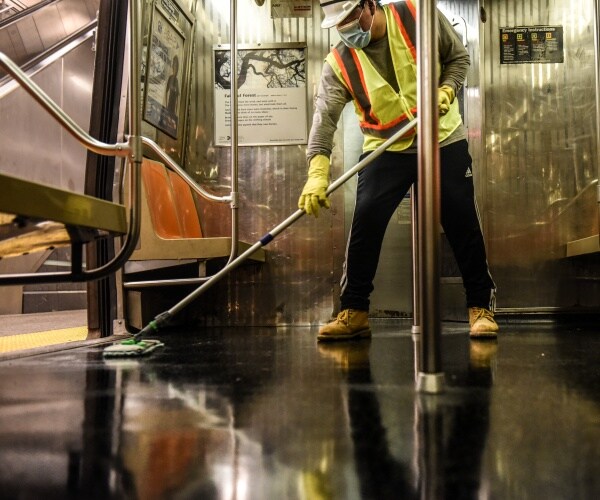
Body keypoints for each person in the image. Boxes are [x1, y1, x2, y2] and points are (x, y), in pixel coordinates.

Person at [298, 0, 498, 341]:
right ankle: (355, 310)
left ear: (370, 5)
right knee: (366, 221)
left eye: (350, 18)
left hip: (442, 137)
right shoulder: (339, 62)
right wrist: (317, 170)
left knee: (462, 219)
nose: (345, 28)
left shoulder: (418, 15)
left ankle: (480, 308)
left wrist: (447, 89)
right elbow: (324, 118)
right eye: (338, 23)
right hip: (386, 146)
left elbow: (458, 58)